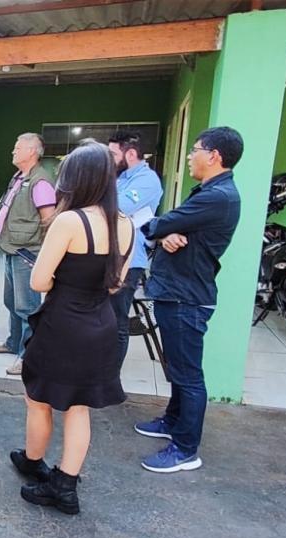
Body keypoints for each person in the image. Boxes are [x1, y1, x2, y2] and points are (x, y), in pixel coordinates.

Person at [11, 142, 134, 515]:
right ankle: (65, 486)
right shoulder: (126, 224)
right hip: (101, 325)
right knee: (79, 408)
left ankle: (34, 463)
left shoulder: (69, 221)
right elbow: (115, 285)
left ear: (75, 180)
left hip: (62, 325)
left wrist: (62, 280)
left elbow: (38, 282)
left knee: (39, 399)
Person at [135, 127, 243, 473]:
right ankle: (172, 421)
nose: (189, 156)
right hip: (179, 292)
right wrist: (168, 235)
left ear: (214, 156)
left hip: (186, 297)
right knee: (179, 370)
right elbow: (172, 229)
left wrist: (163, 230)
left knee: (188, 374)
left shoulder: (218, 196)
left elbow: (157, 224)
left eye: (194, 150)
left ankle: (185, 449)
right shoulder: (211, 193)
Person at [0, 133, 57, 375]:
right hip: (11, 249)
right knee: (11, 302)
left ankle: (28, 356)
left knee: (27, 307)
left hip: (26, 253)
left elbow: (49, 220)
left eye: (17, 148)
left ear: (32, 152)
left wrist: (45, 256)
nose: (13, 152)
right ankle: (13, 342)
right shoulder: (19, 177)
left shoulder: (41, 183)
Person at [107, 131, 163, 371]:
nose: (109, 159)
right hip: (110, 255)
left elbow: (118, 207)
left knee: (117, 320)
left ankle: (110, 374)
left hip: (129, 260)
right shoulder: (121, 178)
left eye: (113, 154)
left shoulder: (147, 180)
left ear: (130, 154)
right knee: (103, 317)